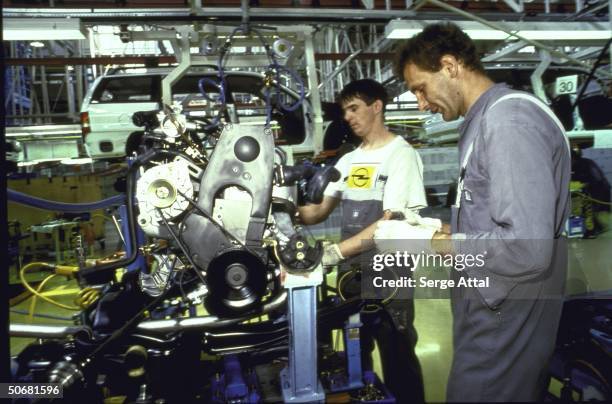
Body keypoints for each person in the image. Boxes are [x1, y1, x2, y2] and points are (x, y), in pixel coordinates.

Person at [388, 22, 571, 402]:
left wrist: (435, 245)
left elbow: (527, 248)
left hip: (506, 315)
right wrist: (437, 227)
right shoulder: (483, 120)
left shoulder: (508, 122)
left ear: (450, 66)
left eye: (420, 89)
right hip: (491, 306)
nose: (421, 105)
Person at [298, 79, 427, 403]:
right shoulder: (348, 160)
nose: (348, 117)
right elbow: (316, 213)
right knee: (356, 354)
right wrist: (277, 206)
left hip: (388, 275)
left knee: (397, 356)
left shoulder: (401, 156)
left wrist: (335, 252)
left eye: (354, 108)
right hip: (351, 275)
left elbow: (390, 223)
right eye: (345, 111)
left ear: (377, 106)